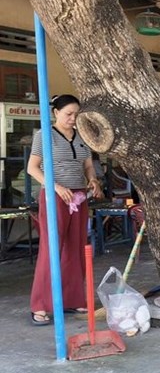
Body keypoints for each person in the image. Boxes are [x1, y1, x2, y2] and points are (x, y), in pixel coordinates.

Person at [27, 95, 104, 326]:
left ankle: (72, 299)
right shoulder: (44, 135)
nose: (72, 118)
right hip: (54, 197)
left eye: (76, 114)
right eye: (68, 114)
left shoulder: (82, 136)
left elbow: (88, 165)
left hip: (78, 197)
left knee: (76, 247)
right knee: (51, 248)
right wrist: (56, 187)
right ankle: (40, 305)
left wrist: (93, 180)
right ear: (56, 113)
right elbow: (33, 168)